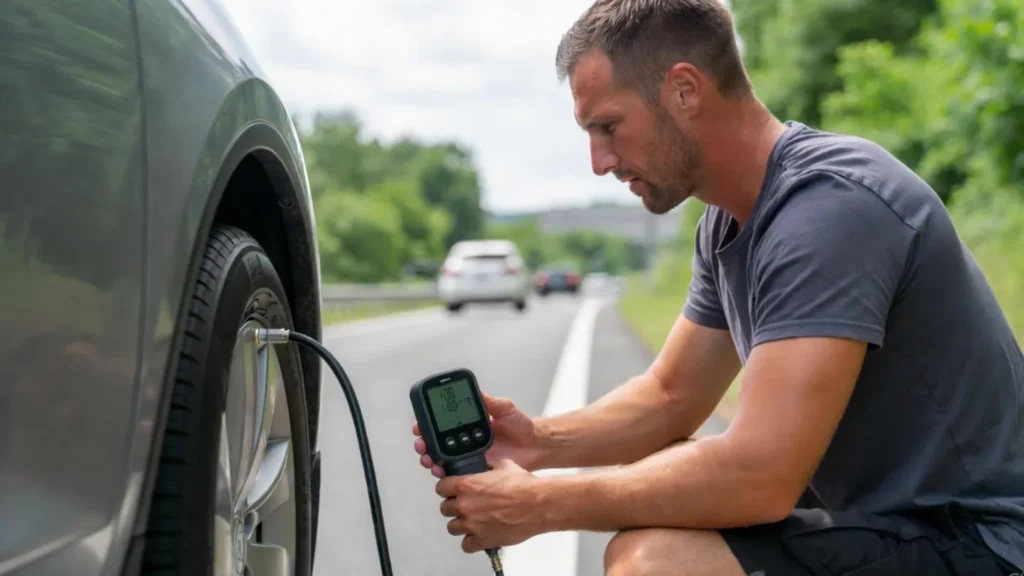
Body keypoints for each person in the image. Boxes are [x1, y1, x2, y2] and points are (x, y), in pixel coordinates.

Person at [411, 0, 1024, 573]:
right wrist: (538, 444)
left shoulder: (830, 210)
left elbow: (760, 474)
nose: (599, 161)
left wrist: (541, 507)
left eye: (608, 127)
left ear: (684, 90)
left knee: (657, 558)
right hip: (888, 529)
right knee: (662, 500)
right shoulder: (729, 221)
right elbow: (672, 395)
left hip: (981, 543)